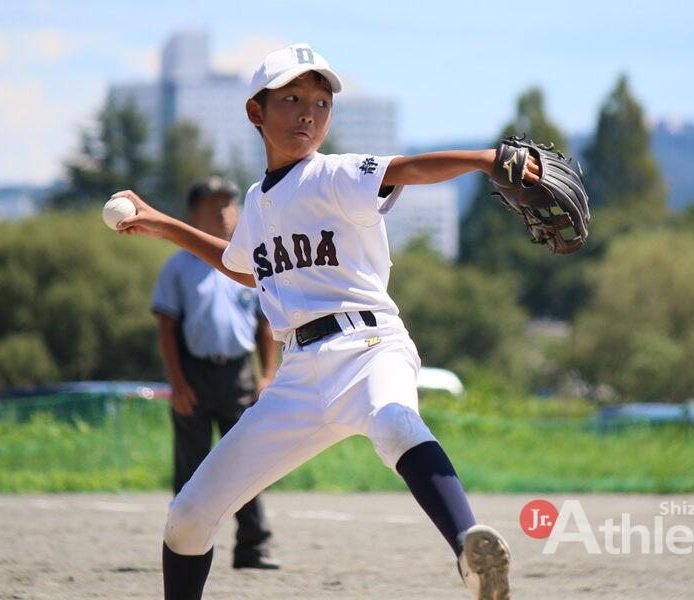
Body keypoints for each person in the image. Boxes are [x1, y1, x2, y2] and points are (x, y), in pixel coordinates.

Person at [114, 43, 543, 600]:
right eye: (291, 99)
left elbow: (407, 169)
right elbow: (243, 267)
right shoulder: (257, 200)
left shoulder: (333, 175)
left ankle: (470, 552)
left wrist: (486, 159)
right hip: (298, 376)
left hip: (370, 346)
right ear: (255, 112)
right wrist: (164, 225)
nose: (308, 113)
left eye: (320, 101)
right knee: (189, 516)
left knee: (394, 423)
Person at [151, 176, 279, 570]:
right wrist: (178, 383)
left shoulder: (248, 264)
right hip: (194, 374)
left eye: (228, 204)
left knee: (246, 461)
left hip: (238, 374)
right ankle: (183, 545)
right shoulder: (178, 267)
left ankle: (253, 548)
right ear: (193, 215)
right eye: (213, 205)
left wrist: (267, 375)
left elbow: (265, 324)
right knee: (191, 467)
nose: (224, 212)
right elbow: (167, 327)